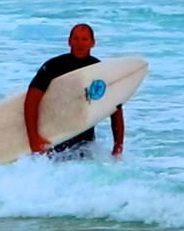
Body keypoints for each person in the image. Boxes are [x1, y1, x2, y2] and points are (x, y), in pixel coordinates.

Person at [24, 23, 125, 158]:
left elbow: (115, 108)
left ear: (92, 43)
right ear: (69, 41)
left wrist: (118, 145)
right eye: (76, 39)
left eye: (84, 39)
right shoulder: (54, 66)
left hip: (85, 145)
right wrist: (34, 139)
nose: (80, 43)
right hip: (55, 142)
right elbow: (31, 100)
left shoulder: (99, 70)